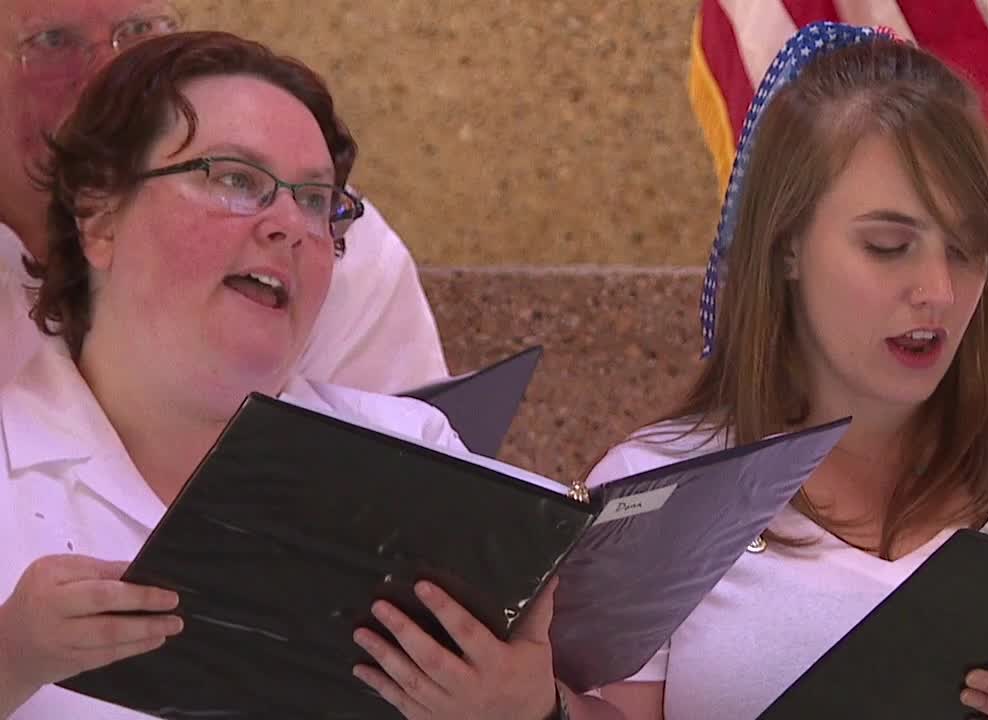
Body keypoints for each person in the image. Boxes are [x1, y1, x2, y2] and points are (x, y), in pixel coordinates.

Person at [586, 23, 988, 720]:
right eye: (889, 246)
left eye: (967, 247)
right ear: (785, 245)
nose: (939, 291)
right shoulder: (653, 493)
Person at [0, 31, 603, 720]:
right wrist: (8, 658)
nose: (289, 224)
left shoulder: (416, 456)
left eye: (317, 200)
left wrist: (533, 713)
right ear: (99, 216)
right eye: (234, 180)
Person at [0, 0, 448, 393]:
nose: (108, 71)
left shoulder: (331, 237)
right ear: (96, 218)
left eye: (138, 31)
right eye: (52, 41)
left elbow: (404, 469)